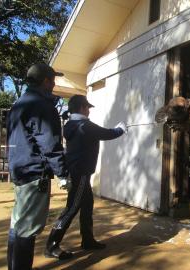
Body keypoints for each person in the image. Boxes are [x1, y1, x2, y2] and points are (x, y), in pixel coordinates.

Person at [45, 95, 128, 259]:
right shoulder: (85, 125)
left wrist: (117, 129)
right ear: (82, 108)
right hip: (81, 173)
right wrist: (120, 129)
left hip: (78, 172)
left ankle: (88, 240)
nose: (89, 110)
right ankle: (52, 245)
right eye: (88, 107)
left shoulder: (72, 124)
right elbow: (106, 133)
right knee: (71, 209)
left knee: (87, 205)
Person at [7, 63, 70, 270]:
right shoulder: (42, 105)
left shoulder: (19, 104)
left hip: (19, 171)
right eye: (53, 81)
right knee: (28, 230)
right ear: (45, 81)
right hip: (34, 174)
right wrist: (63, 173)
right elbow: (50, 144)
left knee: (18, 226)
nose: (54, 85)